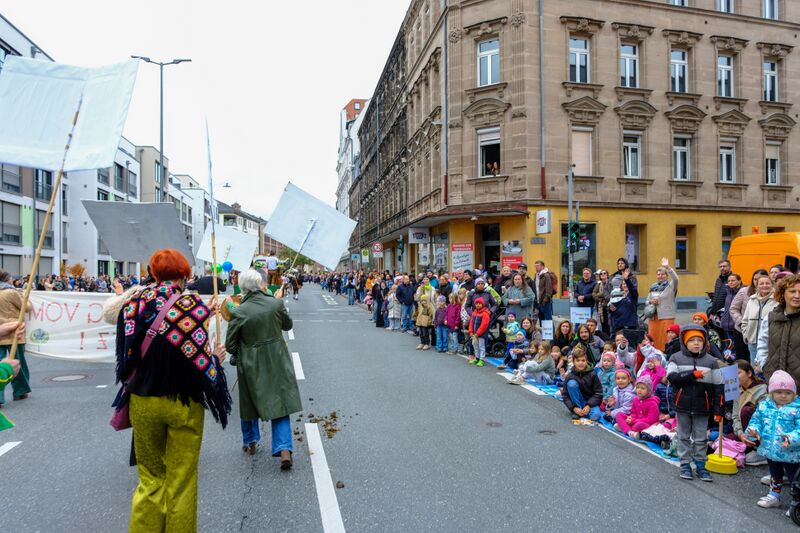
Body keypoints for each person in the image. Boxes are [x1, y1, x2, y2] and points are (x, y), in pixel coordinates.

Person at [117, 249, 231, 532]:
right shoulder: (191, 305)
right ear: (184, 275)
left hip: (142, 399)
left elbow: (125, 354)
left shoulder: (133, 303)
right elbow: (197, 358)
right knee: (182, 480)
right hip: (183, 402)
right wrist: (215, 359)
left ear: (154, 274)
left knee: (150, 478)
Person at [225, 269, 301, 469]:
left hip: (251, 363)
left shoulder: (239, 311)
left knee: (249, 401)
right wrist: (277, 304)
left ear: (242, 288)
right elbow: (287, 325)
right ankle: (284, 448)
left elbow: (230, 346)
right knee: (280, 401)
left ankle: (250, 441)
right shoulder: (275, 304)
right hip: (277, 359)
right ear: (260, 284)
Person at [667, 326, 723, 482]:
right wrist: (692, 374)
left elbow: (719, 387)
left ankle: (700, 465)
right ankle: (685, 464)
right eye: (692, 340)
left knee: (700, 438)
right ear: (685, 342)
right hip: (682, 404)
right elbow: (673, 378)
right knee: (683, 436)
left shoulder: (711, 361)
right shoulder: (675, 358)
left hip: (703, 406)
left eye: (699, 340)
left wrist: (719, 410)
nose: (696, 343)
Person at [747, 370, 800, 510]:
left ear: (794, 394)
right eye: (779, 392)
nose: (783, 396)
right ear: (772, 392)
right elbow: (756, 421)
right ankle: (774, 496)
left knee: (794, 478)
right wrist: (754, 431)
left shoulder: (797, 408)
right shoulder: (764, 406)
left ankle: (796, 502)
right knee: (775, 475)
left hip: (790, 451)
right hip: (770, 449)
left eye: (788, 393)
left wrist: (791, 438)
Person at [759, 273, 800, 385]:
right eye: (792, 291)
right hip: (775, 382)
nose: (797, 296)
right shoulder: (771, 317)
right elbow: (763, 343)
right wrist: (764, 366)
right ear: (783, 293)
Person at [0, 270, 31, 406]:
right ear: (8, 279)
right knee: (17, 363)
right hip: (14, 332)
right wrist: (24, 296)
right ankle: (20, 391)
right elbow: (27, 307)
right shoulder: (11, 293)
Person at [732, 360, 769, 467]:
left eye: (738, 373)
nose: (735, 377)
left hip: (756, 434)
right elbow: (735, 416)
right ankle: (743, 448)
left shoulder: (762, 389)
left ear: (749, 373)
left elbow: (764, 418)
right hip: (742, 432)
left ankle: (759, 450)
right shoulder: (736, 390)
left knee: (746, 410)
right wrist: (740, 434)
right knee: (718, 441)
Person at [741, 273, 777, 366]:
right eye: (761, 283)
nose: (764, 286)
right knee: (754, 368)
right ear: (757, 286)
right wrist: (746, 335)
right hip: (752, 342)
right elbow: (745, 320)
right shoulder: (752, 300)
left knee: (767, 368)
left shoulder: (777, 300)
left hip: (769, 343)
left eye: (767, 283)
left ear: (772, 285)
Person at [561, 346, 603, 421]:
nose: (581, 363)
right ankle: (578, 410)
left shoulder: (592, 374)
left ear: (586, 361)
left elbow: (599, 393)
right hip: (577, 401)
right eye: (578, 360)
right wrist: (573, 408)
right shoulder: (570, 375)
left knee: (595, 416)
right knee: (571, 384)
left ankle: (584, 411)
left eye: (583, 360)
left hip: (590, 402)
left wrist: (589, 405)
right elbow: (565, 395)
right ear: (573, 362)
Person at [646, 258, 679, 352]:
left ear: (667, 276)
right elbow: (646, 301)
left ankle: (666, 355)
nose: (660, 276)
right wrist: (651, 301)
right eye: (658, 274)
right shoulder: (653, 286)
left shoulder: (671, 285)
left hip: (666, 316)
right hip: (653, 317)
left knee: (665, 339)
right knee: (653, 338)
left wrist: (668, 267)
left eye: (663, 274)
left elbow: (676, 278)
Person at [615, 375, 660, 439]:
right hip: (635, 421)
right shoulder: (636, 399)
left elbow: (651, 420)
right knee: (619, 414)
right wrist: (630, 418)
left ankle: (624, 427)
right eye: (638, 387)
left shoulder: (652, 403)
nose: (639, 390)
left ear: (649, 390)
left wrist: (633, 421)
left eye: (642, 388)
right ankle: (630, 432)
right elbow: (634, 413)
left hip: (646, 424)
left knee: (639, 425)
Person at [721, 273, 748, 361]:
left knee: (738, 348)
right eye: (729, 281)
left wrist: (739, 322)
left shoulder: (743, 292)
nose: (730, 282)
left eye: (733, 280)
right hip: (728, 325)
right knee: (730, 346)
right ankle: (733, 362)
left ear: (739, 281)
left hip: (737, 326)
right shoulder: (728, 291)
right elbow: (727, 309)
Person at [608, 268, 639, 333]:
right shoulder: (617, 294)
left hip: (630, 325)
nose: (625, 285)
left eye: (626, 284)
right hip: (618, 325)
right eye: (623, 284)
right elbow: (612, 307)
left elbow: (632, 289)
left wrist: (627, 280)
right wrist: (610, 309)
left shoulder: (633, 295)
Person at [468, 296, 491, 367]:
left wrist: (478, 333)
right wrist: (471, 331)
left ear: (482, 304)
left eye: (479, 303)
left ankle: (482, 359)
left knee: (481, 346)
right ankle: (477, 358)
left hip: (481, 334)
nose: (478, 305)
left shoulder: (485, 313)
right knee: (475, 346)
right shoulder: (474, 313)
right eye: (476, 303)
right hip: (474, 334)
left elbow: (484, 325)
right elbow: (471, 322)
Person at [592, 269, 611, 335]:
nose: (603, 275)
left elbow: (606, 294)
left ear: (607, 275)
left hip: (608, 306)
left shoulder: (610, 283)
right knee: (603, 324)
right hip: (600, 307)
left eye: (604, 273)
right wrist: (600, 299)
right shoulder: (599, 284)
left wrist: (599, 294)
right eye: (601, 274)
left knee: (608, 324)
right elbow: (593, 294)